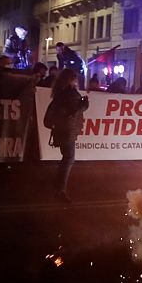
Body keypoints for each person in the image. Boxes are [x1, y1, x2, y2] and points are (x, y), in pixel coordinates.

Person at [47, 68, 89, 203]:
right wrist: (84, 104)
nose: (77, 80)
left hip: (62, 130)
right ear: (71, 79)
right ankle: (61, 190)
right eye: (75, 78)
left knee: (66, 158)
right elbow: (74, 110)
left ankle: (58, 185)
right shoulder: (70, 93)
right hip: (67, 131)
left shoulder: (60, 92)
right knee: (69, 159)